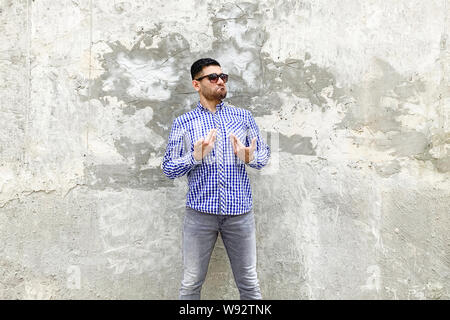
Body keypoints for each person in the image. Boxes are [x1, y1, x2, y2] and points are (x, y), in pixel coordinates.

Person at [161, 58, 271, 300]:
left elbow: (262, 156)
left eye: (223, 77)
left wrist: (249, 157)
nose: (220, 81)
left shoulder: (243, 117)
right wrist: (194, 157)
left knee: (250, 285)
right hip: (199, 214)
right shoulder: (183, 122)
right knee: (190, 284)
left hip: (239, 213)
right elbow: (168, 168)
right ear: (196, 84)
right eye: (213, 77)